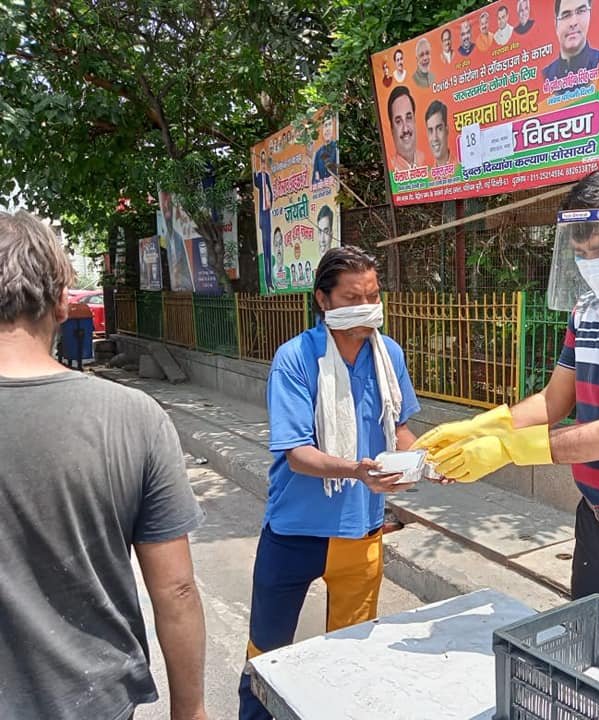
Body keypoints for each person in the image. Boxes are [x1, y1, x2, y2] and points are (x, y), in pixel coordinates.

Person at [416, 170, 599, 635]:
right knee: (592, 658)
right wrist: (485, 426)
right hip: (596, 522)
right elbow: (554, 399)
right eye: (580, 254)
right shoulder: (590, 307)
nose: (590, 263)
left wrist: (511, 450)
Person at [0, 211, 207, 720]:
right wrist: (191, 709)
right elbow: (175, 588)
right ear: (60, 302)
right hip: (93, 699)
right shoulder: (134, 418)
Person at [238, 246, 422, 720]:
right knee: (267, 657)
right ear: (323, 300)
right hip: (295, 533)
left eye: (373, 295)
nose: (367, 307)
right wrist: (356, 471)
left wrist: (423, 459)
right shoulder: (296, 359)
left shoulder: (388, 355)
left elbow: (398, 426)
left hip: (361, 532)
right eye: (352, 297)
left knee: (350, 658)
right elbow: (297, 455)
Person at [543, 0, 599, 83]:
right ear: (555, 23)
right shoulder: (545, 77)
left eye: (581, 11)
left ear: (590, 14)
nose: (573, 23)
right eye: (566, 15)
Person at [159, 190, 196, 292]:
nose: (165, 205)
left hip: (189, 285)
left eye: (168, 202)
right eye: (163, 202)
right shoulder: (168, 236)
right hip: (179, 287)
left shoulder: (180, 236)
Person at [387, 85, 424, 170]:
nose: (405, 129)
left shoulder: (430, 161)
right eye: (398, 121)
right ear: (392, 129)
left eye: (408, 118)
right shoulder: (391, 169)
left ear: (415, 121)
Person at [254, 151, 275, 291]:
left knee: (268, 249)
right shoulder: (258, 177)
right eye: (261, 163)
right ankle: (266, 280)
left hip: (267, 214)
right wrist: (257, 172)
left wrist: (270, 204)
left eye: (264, 163)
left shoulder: (267, 176)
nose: (263, 166)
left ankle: (269, 281)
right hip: (261, 216)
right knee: (264, 250)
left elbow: (271, 192)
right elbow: (256, 185)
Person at [311, 115, 338, 184]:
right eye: (325, 125)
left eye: (329, 124)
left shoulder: (337, 147)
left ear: (333, 127)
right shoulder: (318, 153)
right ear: (322, 130)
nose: (327, 129)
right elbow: (314, 179)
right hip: (323, 191)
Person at [425, 100, 452, 167]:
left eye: (439, 129)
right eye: (431, 131)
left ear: (446, 130)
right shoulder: (429, 176)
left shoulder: (461, 167)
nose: (435, 138)